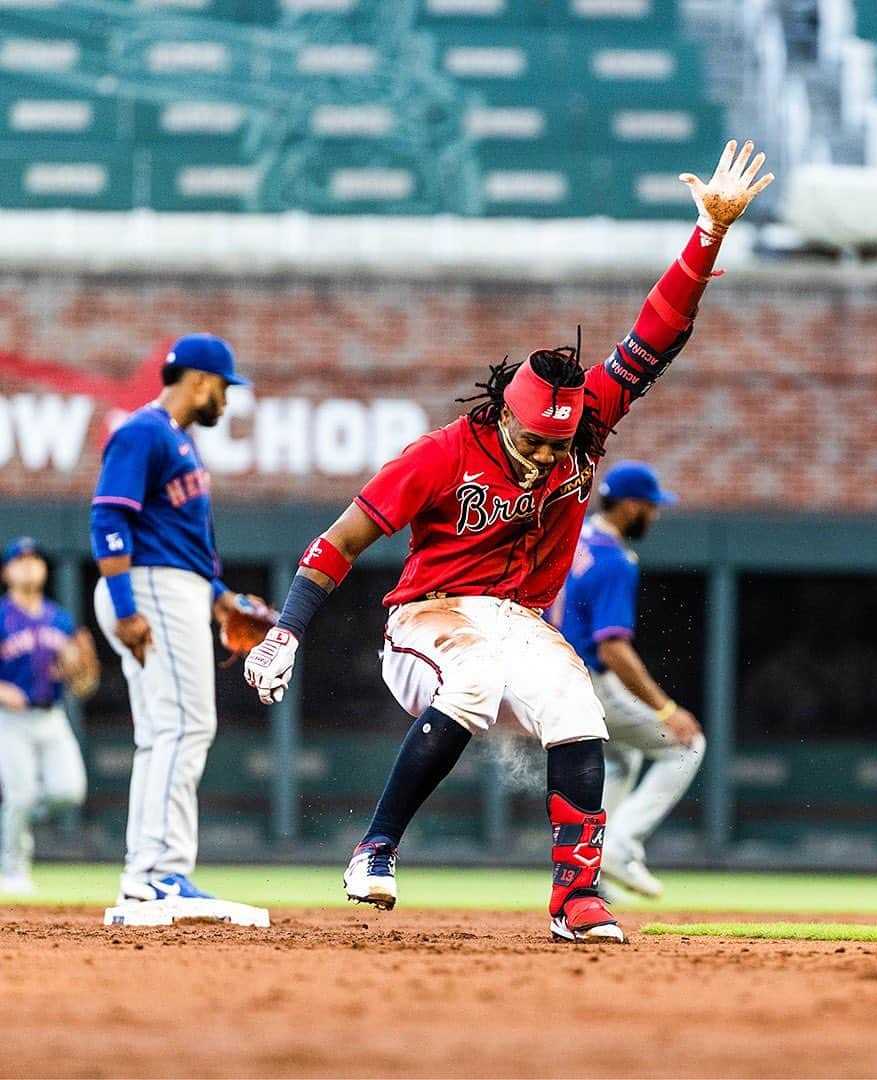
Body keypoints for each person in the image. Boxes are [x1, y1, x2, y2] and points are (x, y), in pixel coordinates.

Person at [244, 140, 774, 943]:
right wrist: (288, 629)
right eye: (534, 442)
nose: (548, 457)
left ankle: (576, 898)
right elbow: (341, 539)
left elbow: (655, 334)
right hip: (427, 617)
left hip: (520, 616)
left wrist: (707, 236)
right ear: (502, 415)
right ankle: (375, 850)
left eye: (560, 446)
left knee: (577, 707)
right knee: (476, 672)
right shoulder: (438, 455)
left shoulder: (587, 420)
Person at [90, 333, 256, 905]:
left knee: (166, 730)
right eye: (225, 388)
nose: (227, 401)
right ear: (201, 380)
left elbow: (179, 537)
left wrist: (217, 595)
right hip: (149, 584)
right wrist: (127, 607)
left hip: (172, 583)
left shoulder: (175, 439)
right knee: (185, 726)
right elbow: (109, 519)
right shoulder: (144, 431)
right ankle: (157, 872)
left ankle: (149, 870)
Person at [556, 461, 704, 899]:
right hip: (586, 679)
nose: (654, 515)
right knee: (686, 743)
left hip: (550, 670)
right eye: (650, 506)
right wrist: (666, 709)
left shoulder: (573, 538)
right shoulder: (614, 560)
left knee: (623, 759)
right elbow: (613, 649)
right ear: (631, 505)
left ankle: (591, 868)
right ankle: (619, 846)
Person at [0, 537, 94, 894]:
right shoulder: (1, 617)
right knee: (19, 797)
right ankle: (13, 872)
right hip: (11, 719)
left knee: (69, 790)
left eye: (35, 559)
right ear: (7, 571)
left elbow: (80, 680)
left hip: (52, 715)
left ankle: (21, 809)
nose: (29, 565)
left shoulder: (61, 617)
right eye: (20, 559)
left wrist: (79, 673)